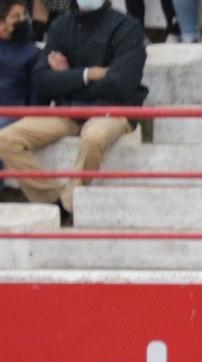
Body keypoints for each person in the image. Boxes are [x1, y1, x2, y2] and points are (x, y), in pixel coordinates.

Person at [0, 0, 146, 219]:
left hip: (112, 110)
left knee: (94, 136)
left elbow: (122, 83)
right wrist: (87, 74)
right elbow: (42, 79)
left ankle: (66, 205)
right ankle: (54, 200)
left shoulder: (127, 27)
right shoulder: (61, 25)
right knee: (5, 139)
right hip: (68, 109)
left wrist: (67, 76)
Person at [0, 0, 38, 129]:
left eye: (24, 15)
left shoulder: (33, 53)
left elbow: (36, 97)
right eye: (16, 17)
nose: (22, 20)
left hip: (15, 113)